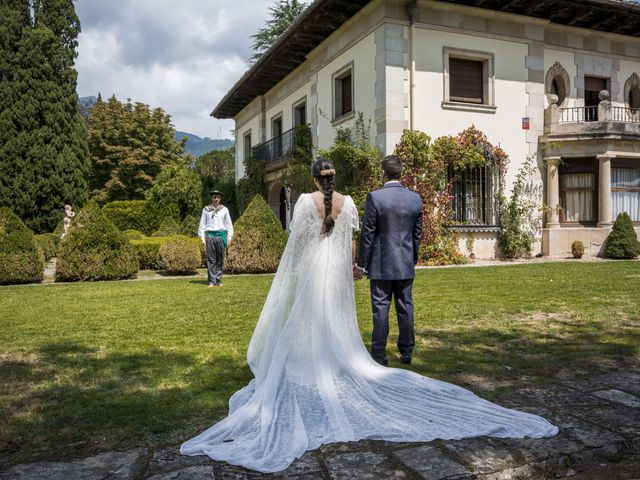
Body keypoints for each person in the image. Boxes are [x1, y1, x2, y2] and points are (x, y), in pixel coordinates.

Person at [181, 158, 557, 474]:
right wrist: (352, 266)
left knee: (308, 316)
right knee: (336, 317)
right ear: (333, 179)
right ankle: (345, 356)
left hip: (315, 266)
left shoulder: (306, 202)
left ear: (314, 178)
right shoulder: (349, 202)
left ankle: (311, 361)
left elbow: (296, 242)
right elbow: (353, 237)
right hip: (337, 271)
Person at [354, 154, 423, 366]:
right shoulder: (415, 198)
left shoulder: (374, 197)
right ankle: (407, 352)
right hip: (404, 262)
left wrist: (360, 264)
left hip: (381, 263)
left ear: (383, 173)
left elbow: (368, 234)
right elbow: (418, 233)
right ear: (399, 173)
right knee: (405, 306)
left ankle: (379, 354)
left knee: (381, 308)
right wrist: (412, 257)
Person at [198, 189, 234, 287]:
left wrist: (229, 237)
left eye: (218, 197)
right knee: (211, 259)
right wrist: (202, 237)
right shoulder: (206, 210)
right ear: (212, 198)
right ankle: (211, 281)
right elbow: (202, 224)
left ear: (220, 199)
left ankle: (218, 280)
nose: (216, 199)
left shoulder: (224, 210)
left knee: (220, 259)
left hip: (220, 236)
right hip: (210, 236)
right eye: (214, 197)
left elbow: (229, 224)